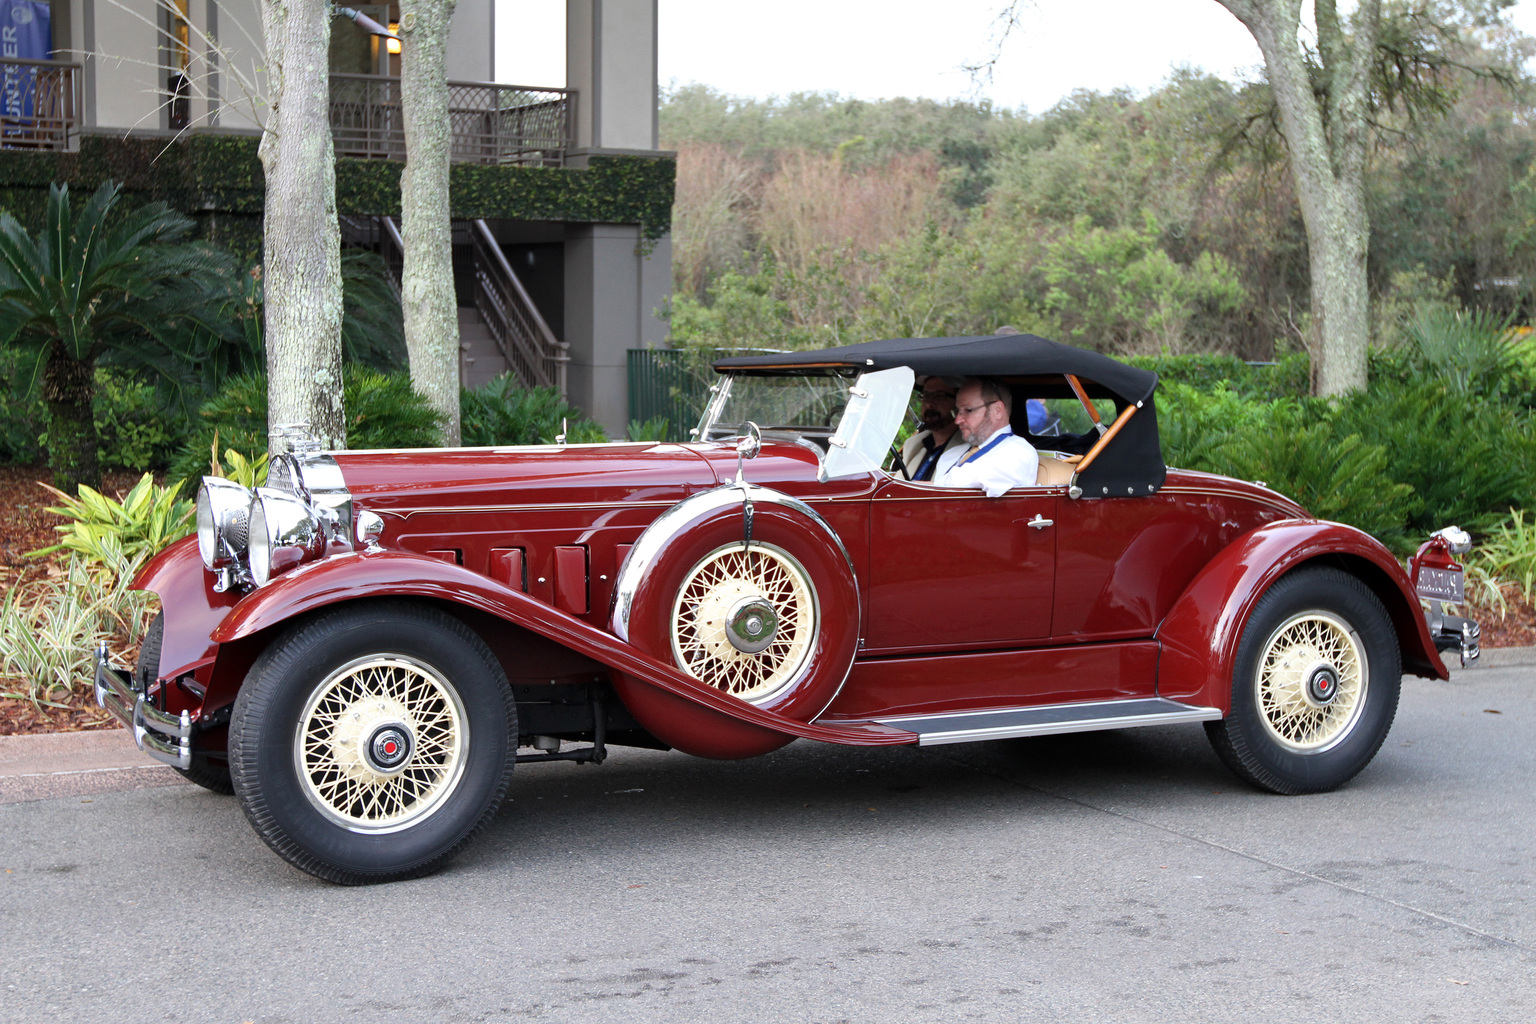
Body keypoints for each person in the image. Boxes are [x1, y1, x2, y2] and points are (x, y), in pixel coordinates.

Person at [936, 378, 1039, 496]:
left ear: (997, 410)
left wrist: (932, 485)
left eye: (968, 410)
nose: (958, 420)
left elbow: (984, 477)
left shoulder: (1019, 452)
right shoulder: (952, 453)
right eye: (958, 411)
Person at [899, 375, 967, 481]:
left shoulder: (969, 447)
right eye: (926, 396)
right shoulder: (913, 444)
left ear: (958, 402)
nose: (930, 404)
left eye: (939, 396)